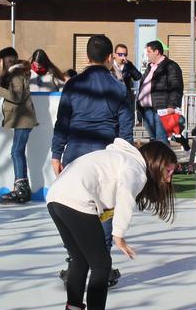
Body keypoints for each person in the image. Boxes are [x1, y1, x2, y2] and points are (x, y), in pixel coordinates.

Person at [46, 139, 178, 310]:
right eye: (169, 170)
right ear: (156, 162)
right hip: (77, 198)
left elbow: (107, 193)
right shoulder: (135, 166)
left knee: (79, 260)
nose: (170, 176)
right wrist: (119, 234)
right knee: (102, 265)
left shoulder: (118, 157)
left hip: (56, 197)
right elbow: (125, 193)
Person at [51, 34, 135, 286]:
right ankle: (103, 265)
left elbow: (62, 121)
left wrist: (57, 153)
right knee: (105, 210)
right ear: (110, 58)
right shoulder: (119, 87)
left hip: (75, 153)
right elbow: (126, 129)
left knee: (76, 207)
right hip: (105, 154)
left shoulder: (74, 84)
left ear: (87, 57)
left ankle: (74, 262)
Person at [0, 47, 38, 204]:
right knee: (17, 151)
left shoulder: (16, 75)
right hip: (22, 119)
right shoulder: (15, 73)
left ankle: (21, 188)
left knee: (16, 152)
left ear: (3, 61)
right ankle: (22, 187)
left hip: (24, 119)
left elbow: (15, 97)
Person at [135, 40, 183, 142]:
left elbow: (176, 86)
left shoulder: (170, 66)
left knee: (161, 139)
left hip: (161, 109)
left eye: (148, 51)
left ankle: (164, 158)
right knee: (154, 139)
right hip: (147, 109)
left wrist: (172, 106)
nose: (146, 54)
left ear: (156, 52)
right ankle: (158, 157)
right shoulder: (150, 67)